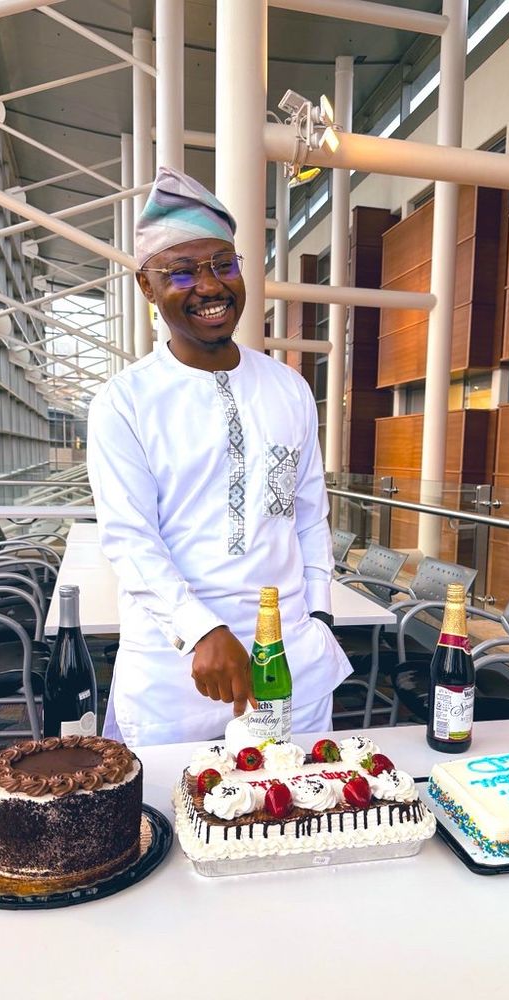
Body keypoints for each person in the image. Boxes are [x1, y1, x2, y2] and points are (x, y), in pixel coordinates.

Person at [87, 166, 352, 746]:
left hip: (289, 662)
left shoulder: (288, 389)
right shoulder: (125, 401)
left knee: (298, 816)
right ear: (146, 287)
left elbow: (308, 515)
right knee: (176, 826)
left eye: (223, 265)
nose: (209, 286)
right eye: (180, 272)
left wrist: (321, 613)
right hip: (177, 671)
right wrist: (200, 629)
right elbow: (131, 538)